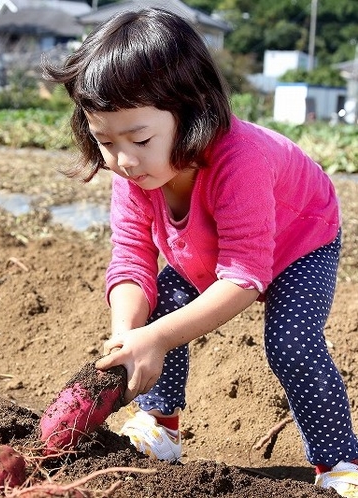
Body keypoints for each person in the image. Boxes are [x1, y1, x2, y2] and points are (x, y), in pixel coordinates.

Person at [42, 7, 358, 496]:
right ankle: (160, 428)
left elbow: (245, 276)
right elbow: (130, 259)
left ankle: (340, 464)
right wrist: (129, 336)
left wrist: (158, 338)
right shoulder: (134, 173)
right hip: (215, 251)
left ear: (191, 112)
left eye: (141, 138)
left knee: (292, 343)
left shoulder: (242, 160)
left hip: (300, 240)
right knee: (159, 312)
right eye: (105, 140)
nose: (124, 160)